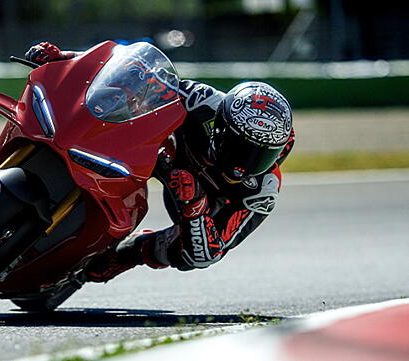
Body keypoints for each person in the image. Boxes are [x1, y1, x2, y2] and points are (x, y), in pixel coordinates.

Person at [25, 42, 295, 281]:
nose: (245, 163)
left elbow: (214, 249)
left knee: (193, 257)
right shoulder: (203, 101)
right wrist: (66, 57)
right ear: (222, 127)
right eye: (242, 148)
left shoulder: (263, 190)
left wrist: (195, 205)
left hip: (200, 205)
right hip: (160, 154)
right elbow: (137, 72)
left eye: (263, 154)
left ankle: (129, 253)